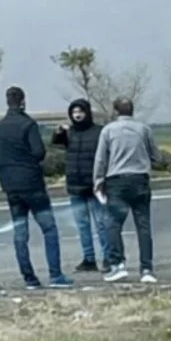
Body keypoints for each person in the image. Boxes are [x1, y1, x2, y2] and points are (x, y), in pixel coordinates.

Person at [0, 86, 73, 289]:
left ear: (7, 102)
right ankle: (55, 275)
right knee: (49, 229)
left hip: (10, 186)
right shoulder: (28, 125)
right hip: (32, 184)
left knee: (20, 234)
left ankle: (29, 278)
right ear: (23, 102)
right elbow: (39, 152)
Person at [93, 97, 160, 284]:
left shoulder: (108, 130)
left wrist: (98, 181)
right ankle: (146, 269)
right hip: (140, 179)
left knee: (114, 224)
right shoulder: (143, 129)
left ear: (115, 111)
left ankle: (118, 265)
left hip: (117, 180)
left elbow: (101, 159)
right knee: (143, 225)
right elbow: (155, 155)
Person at [50, 99, 110, 272]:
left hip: (94, 185)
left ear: (87, 112)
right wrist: (58, 132)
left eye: (80, 111)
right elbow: (56, 144)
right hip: (75, 186)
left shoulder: (99, 132)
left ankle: (108, 257)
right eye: (74, 112)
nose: (77, 115)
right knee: (82, 225)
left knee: (101, 223)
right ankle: (88, 258)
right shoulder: (70, 133)